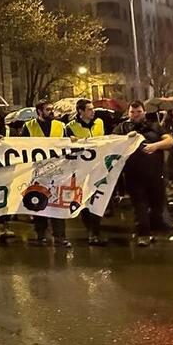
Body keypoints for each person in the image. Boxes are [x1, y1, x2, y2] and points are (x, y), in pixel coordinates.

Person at [113, 100, 173, 246]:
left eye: (138, 111)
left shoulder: (154, 126)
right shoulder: (121, 128)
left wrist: (156, 146)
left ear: (144, 112)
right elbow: (112, 144)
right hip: (133, 175)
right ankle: (143, 234)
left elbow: (169, 141)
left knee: (157, 204)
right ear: (128, 113)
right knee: (140, 205)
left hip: (155, 174)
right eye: (132, 112)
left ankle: (153, 228)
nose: (135, 114)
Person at [19, 101, 70, 247]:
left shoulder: (60, 126)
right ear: (39, 111)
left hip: (57, 171)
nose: (51, 112)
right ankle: (40, 234)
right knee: (38, 201)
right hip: (37, 172)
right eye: (48, 109)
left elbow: (67, 143)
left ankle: (60, 236)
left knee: (58, 204)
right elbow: (21, 146)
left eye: (51, 109)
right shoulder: (29, 127)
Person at [66, 99, 107, 245]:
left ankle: (94, 231)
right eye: (89, 109)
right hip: (81, 169)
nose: (93, 111)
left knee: (98, 198)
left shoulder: (100, 123)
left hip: (98, 167)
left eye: (92, 108)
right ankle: (91, 231)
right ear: (81, 111)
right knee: (85, 200)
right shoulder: (70, 127)